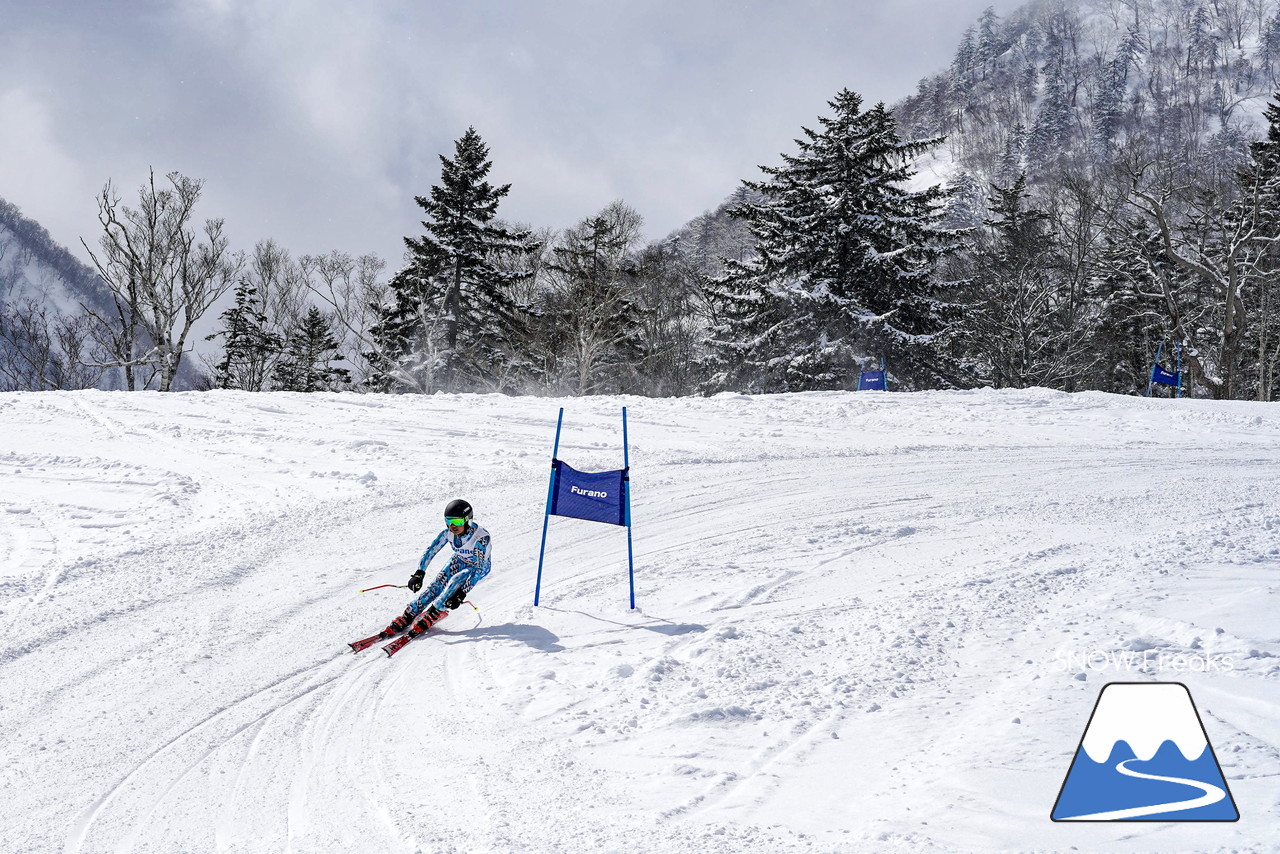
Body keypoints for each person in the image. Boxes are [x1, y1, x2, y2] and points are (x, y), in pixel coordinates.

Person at [351, 499, 490, 654]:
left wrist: (461, 593)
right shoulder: (448, 533)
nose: (452, 526)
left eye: (456, 521)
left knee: (455, 583)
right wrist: (419, 573)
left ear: (467, 520)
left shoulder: (481, 538)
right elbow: (431, 550)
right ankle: (410, 613)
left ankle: (436, 610)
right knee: (436, 585)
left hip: (477, 567)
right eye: (449, 521)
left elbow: (477, 570)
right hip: (459, 560)